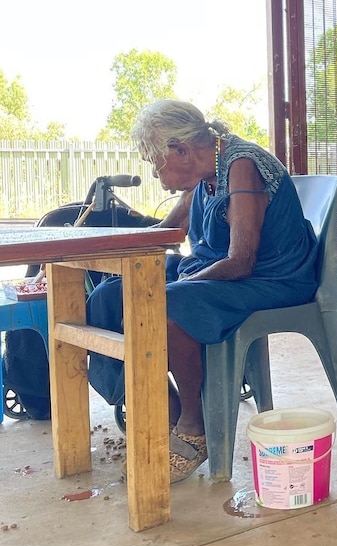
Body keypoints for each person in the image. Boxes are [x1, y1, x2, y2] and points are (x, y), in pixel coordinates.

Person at [86, 99, 319, 482]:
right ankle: (167, 414)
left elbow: (241, 260)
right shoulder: (203, 177)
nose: (154, 172)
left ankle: (195, 426)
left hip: (270, 279)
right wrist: (114, 248)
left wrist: (176, 286)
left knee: (165, 304)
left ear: (180, 151)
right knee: (108, 297)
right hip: (220, 274)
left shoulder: (241, 167)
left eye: (154, 161)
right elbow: (163, 234)